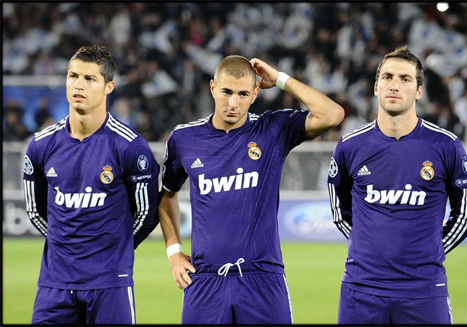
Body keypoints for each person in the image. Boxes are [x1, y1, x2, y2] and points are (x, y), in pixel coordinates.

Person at [158, 55, 344, 324]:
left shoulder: (272, 129)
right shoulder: (185, 138)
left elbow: (332, 114)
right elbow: (167, 195)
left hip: (263, 277)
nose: (233, 103)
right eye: (227, 92)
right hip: (205, 279)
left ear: (256, 93)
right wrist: (174, 253)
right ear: (212, 88)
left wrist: (280, 78)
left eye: (243, 93)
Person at [327, 46, 467, 324]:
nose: (394, 85)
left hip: (424, 290)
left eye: (405, 79)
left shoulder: (446, 146)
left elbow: (466, 215)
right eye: (387, 77)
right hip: (361, 290)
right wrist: (369, 247)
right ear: (376, 87)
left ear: (418, 91)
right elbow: (339, 208)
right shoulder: (350, 146)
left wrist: (430, 250)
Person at [22, 45, 160, 325]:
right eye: (73, 76)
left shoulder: (131, 147)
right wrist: (66, 244)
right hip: (54, 285)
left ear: (108, 87)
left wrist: (114, 249)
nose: (78, 85)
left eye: (89, 79)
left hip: (111, 283)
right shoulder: (40, 146)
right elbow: (35, 210)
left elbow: (147, 213)